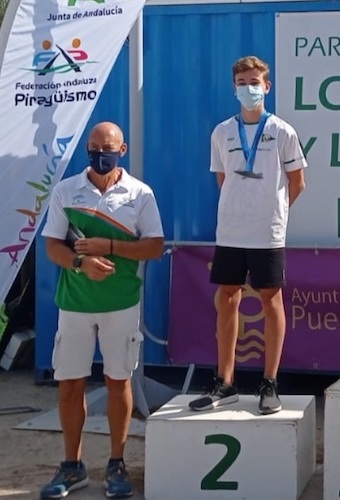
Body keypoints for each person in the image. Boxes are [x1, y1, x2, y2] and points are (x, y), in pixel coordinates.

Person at [39, 122, 165, 499]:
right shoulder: (67, 190)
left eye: (107, 147)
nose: (99, 154)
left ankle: (116, 464)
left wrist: (108, 247)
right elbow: (52, 247)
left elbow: (155, 247)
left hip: (121, 304)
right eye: (93, 147)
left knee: (117, 382)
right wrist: (81, 265)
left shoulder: (140, 194)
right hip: (74, 305)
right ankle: (72, 466)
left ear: (122, 149)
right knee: (70, 384)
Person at [188, 56, 306, 415]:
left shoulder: (283, 131)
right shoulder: (222, 132)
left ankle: (269, 383)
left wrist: (273, 210)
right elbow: (223, 179)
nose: (249, 88)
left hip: (267, 232)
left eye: (255, 82)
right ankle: (225, 382)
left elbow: (297, 183)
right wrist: (241, 207)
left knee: (271, 302)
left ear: (267, 86)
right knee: (228, 299)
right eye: (242, 82)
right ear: (234, 87)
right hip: (231, 231)